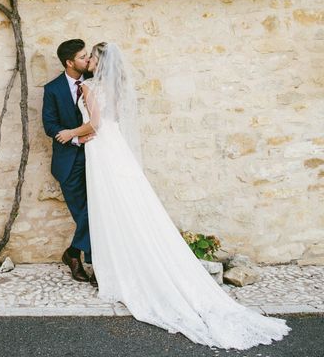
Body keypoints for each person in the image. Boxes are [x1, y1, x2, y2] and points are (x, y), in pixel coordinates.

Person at [54, 42, 290, 349]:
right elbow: (105, 125)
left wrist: (73, 133)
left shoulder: (90, 88)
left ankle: (117, 270)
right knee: (120, 207)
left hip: (102, 152)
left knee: (109, 209)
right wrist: (86, 135)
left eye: (93, 58)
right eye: (87, 58)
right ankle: (114, 265)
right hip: (112, 149)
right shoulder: (114, 86)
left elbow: (96, 124)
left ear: (100, 62)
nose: (90, 62)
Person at [42, 39, 97, 286]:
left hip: (97, 157)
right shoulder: (52, 89)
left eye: (88, 56)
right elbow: (50, 125)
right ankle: (87, 261)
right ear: (69, 62)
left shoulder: (96, 83)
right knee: (84, 213)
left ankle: (75, 254)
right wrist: (74, 138)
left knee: (98, 209)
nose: (87, 60)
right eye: (83, 57)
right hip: (69, 161)